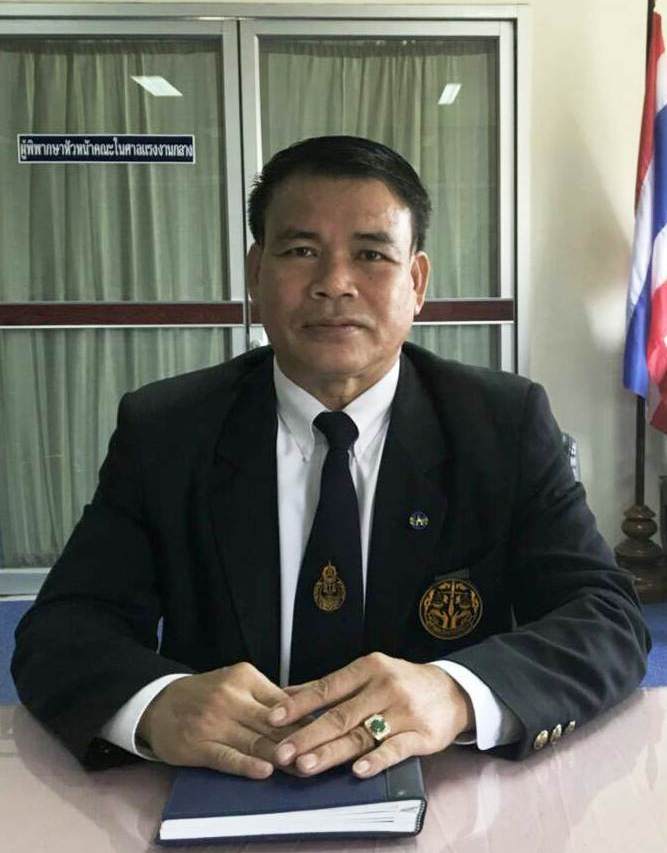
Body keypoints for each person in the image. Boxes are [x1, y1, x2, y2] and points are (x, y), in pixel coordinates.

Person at [12, 136, 650, 782]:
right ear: (256, 274)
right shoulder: (168, 430)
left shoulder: (500, 425)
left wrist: (456, 692)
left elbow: (606, 618)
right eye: (301, 251)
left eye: (371, 254)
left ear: (416, 282)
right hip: (225, 787)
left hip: (448, 786)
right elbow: (63, 628)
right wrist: (157, 703)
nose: (333, 284)